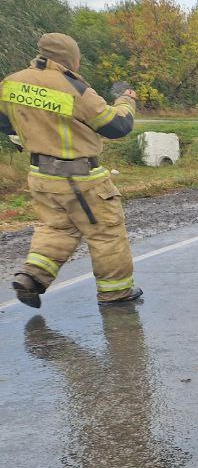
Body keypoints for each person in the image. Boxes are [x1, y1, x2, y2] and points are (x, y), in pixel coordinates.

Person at [2, 33, 140, 308]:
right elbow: (115, 126)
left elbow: (5, 123)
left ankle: (31, 277)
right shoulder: (72, 87)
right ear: (70, 58)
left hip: (41, 176)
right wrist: (127, 101)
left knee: (56, 229)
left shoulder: (11, 83)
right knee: (106, 233)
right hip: (81, 179)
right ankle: (116, 294)